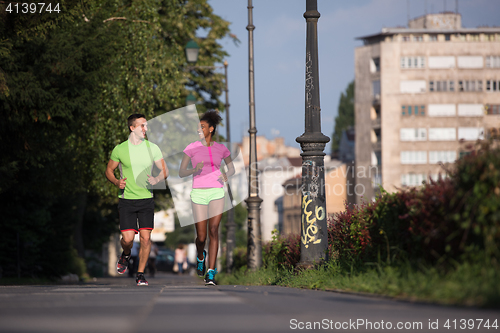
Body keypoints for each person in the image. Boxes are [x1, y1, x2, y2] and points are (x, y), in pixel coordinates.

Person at [105, 113, 169, 286]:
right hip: (127, 199)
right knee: (127, 240)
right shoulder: (120, 149)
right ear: (132, 128)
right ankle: (125, 255)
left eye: (146, 125)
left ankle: (140, 273)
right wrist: (116, 181)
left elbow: (165, 170)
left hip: (146, 199)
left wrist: (157, 179)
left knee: (146, 239)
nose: (145, 129)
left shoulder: (153, 148)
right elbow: (108, 171)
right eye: (142, 125)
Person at [179, 110, 234, 286]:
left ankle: (211, 272)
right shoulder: (191, 148)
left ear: (211, 129)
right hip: (198, 193)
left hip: (217, 192)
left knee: (214, 230)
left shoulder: (221, 149)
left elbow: (231, 169)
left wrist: (226, 175)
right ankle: (200, 256)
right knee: (201, 237)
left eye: (202, 127)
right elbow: (181, 172)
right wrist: (194, 170)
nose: (199, 130)